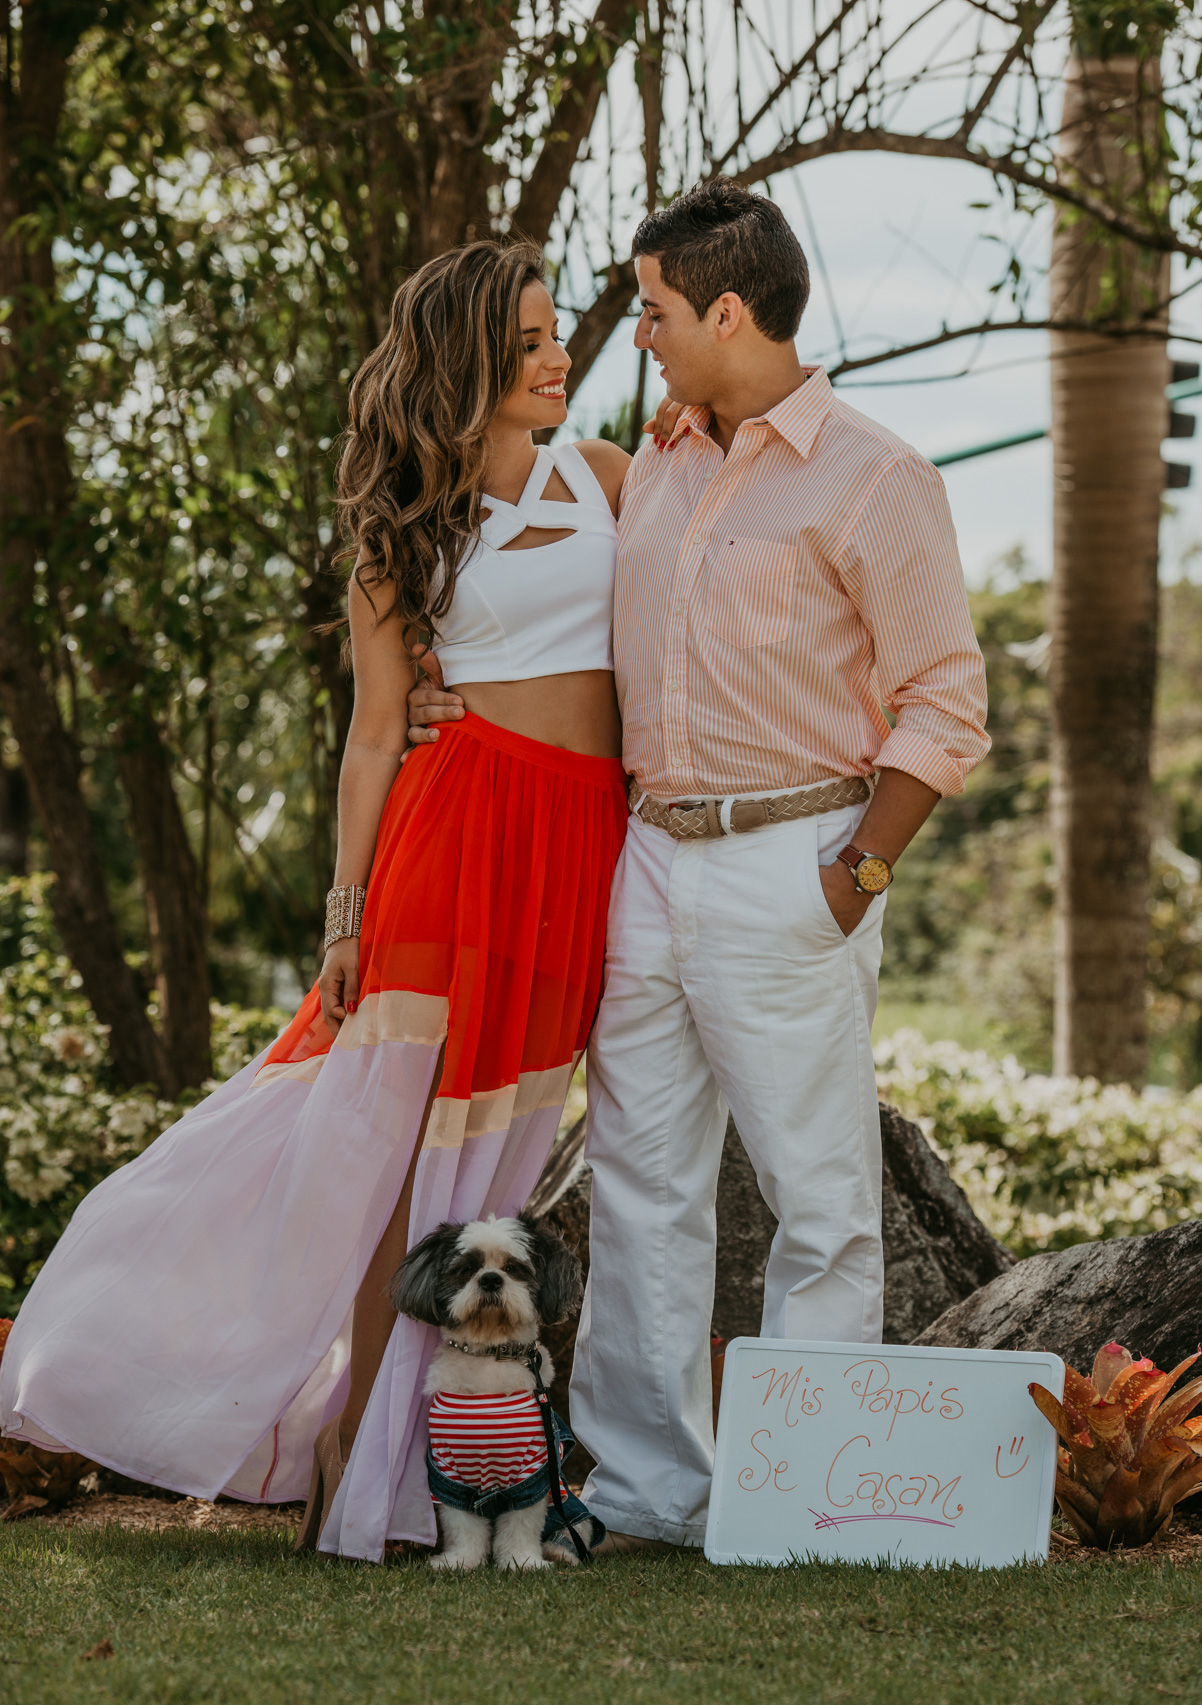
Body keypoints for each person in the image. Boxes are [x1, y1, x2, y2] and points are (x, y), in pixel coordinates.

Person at [0, 240, 631, 1563]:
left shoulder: (617, 477)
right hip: (447, 839)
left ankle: (423, 1459)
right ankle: (353, 1450)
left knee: (498, 1155)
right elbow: (371, 732)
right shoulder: (404, 532)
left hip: (577, 845)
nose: (554, 354)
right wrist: (343, 911)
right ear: (467, 360)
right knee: (384, 1156)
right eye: (524, 340)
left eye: (555, 331)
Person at [405, 179, 991, 1551]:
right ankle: (647, 1496)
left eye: (657, 311)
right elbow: (531, 609)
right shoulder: (653, 461)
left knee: (818, 1198)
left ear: (726, 309)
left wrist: (854, 873)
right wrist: (443, 696)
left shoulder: (875, 476)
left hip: (794, 857)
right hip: (645, 862)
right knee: (641, 1182)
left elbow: (944, 702)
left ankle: (802, 1509)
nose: (640, 335)